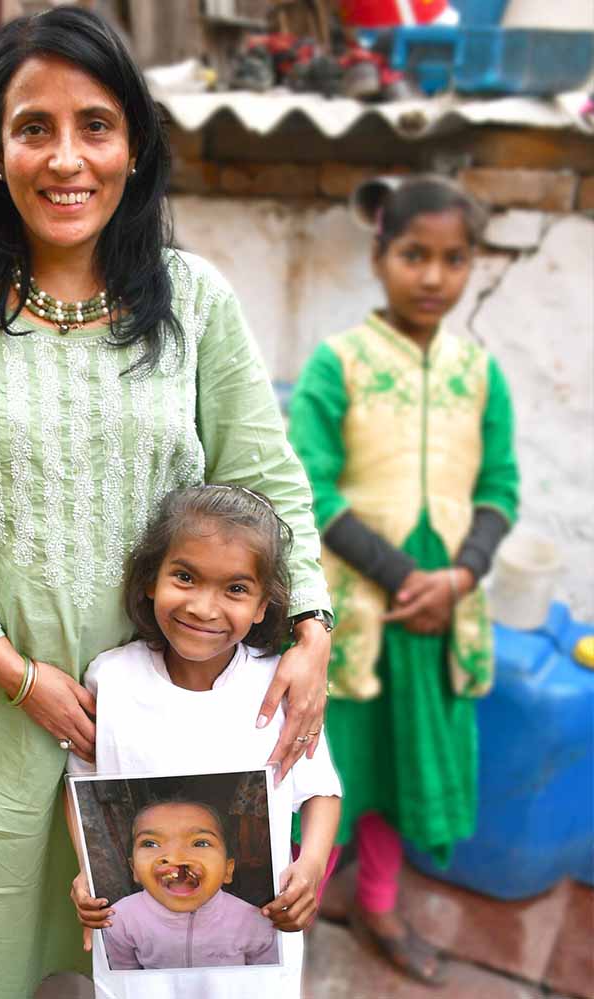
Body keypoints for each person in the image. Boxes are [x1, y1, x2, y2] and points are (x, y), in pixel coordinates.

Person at [0, 9, 333, 998]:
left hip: (168, 725)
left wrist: (314, 629)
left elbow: (263, 476)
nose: (66, 158)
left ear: (134, 147)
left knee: (169, 965)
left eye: (96, 125)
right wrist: (13, 673)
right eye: (33, 126)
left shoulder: (193, 299)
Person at [288, 175, 520, 986]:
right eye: (414, 254)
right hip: (355, 618)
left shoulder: (480, 373)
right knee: (331, 775)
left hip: (435, 619)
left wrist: (459, 576)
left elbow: (500, 487)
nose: (433, 276)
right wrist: (399, 573)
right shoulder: (338, 364)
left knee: (397, 776)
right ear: (380, 255)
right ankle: (295, 915)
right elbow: (306, 484)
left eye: (454, 259)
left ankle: (380, 903)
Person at [67, 485, 341, 998]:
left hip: (252, 958)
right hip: (140, 965)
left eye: (235, 589)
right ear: (151, 580)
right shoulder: (112, 680)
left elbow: (320, 788)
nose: (204, 607)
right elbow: (83, 788)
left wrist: (310, 866)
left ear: (263, 606)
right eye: (186, 577)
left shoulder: (277, 689)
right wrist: (88, 872)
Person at [103, 798, 278, 971]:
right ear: (134, 869)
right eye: (151, 843)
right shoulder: (121, 919)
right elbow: (124, 982)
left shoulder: (253, 922)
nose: (174, 857)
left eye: (200, 843)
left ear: (227, 869)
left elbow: (270, 979)